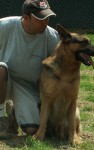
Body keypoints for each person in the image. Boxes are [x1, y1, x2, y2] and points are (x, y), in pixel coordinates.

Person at [0, 0, 60, 139]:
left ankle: (13, 114)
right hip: (4, 79)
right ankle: (1, 118)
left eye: (47, 18)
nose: (45, 23)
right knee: (0, 69)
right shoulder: (5, 25)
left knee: (32, 129)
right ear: (26, 17)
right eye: (40, 19)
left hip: (27, 87)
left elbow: (59, 68)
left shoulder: (52, 36)